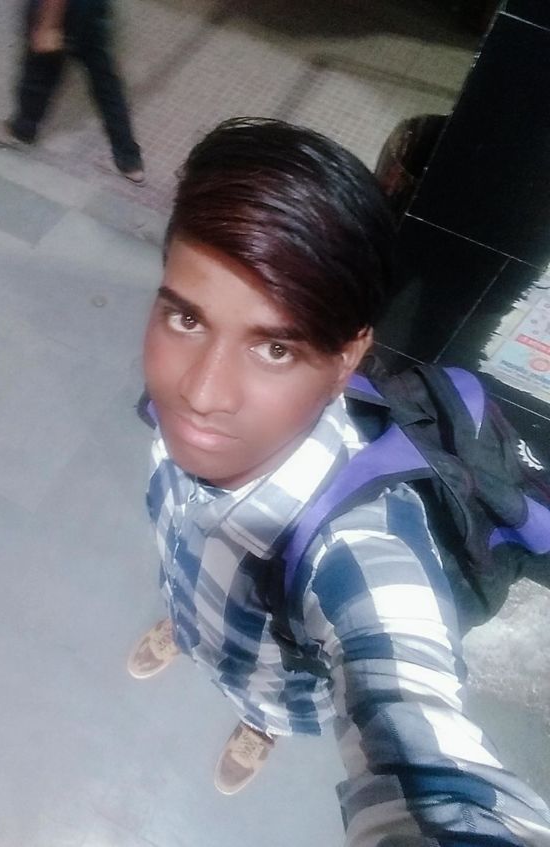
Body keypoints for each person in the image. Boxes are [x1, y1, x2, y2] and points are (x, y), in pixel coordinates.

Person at [128, 117, 550, 842]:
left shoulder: (360, 547)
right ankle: (184, 627)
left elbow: (420, 737)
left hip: (273, 676)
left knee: (264, 695)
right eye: (187, 318)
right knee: (187, 590)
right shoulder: (193, 416)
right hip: (195, 588)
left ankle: (259, 725)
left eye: (274, 348)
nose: (201, 392)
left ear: (347, 358)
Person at [0, 0, 144, 184]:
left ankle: (22, 130)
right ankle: (130, 162)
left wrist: (48, 23)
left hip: (64, 10)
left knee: (39, 71)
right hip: (92, 9)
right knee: (106, 84)